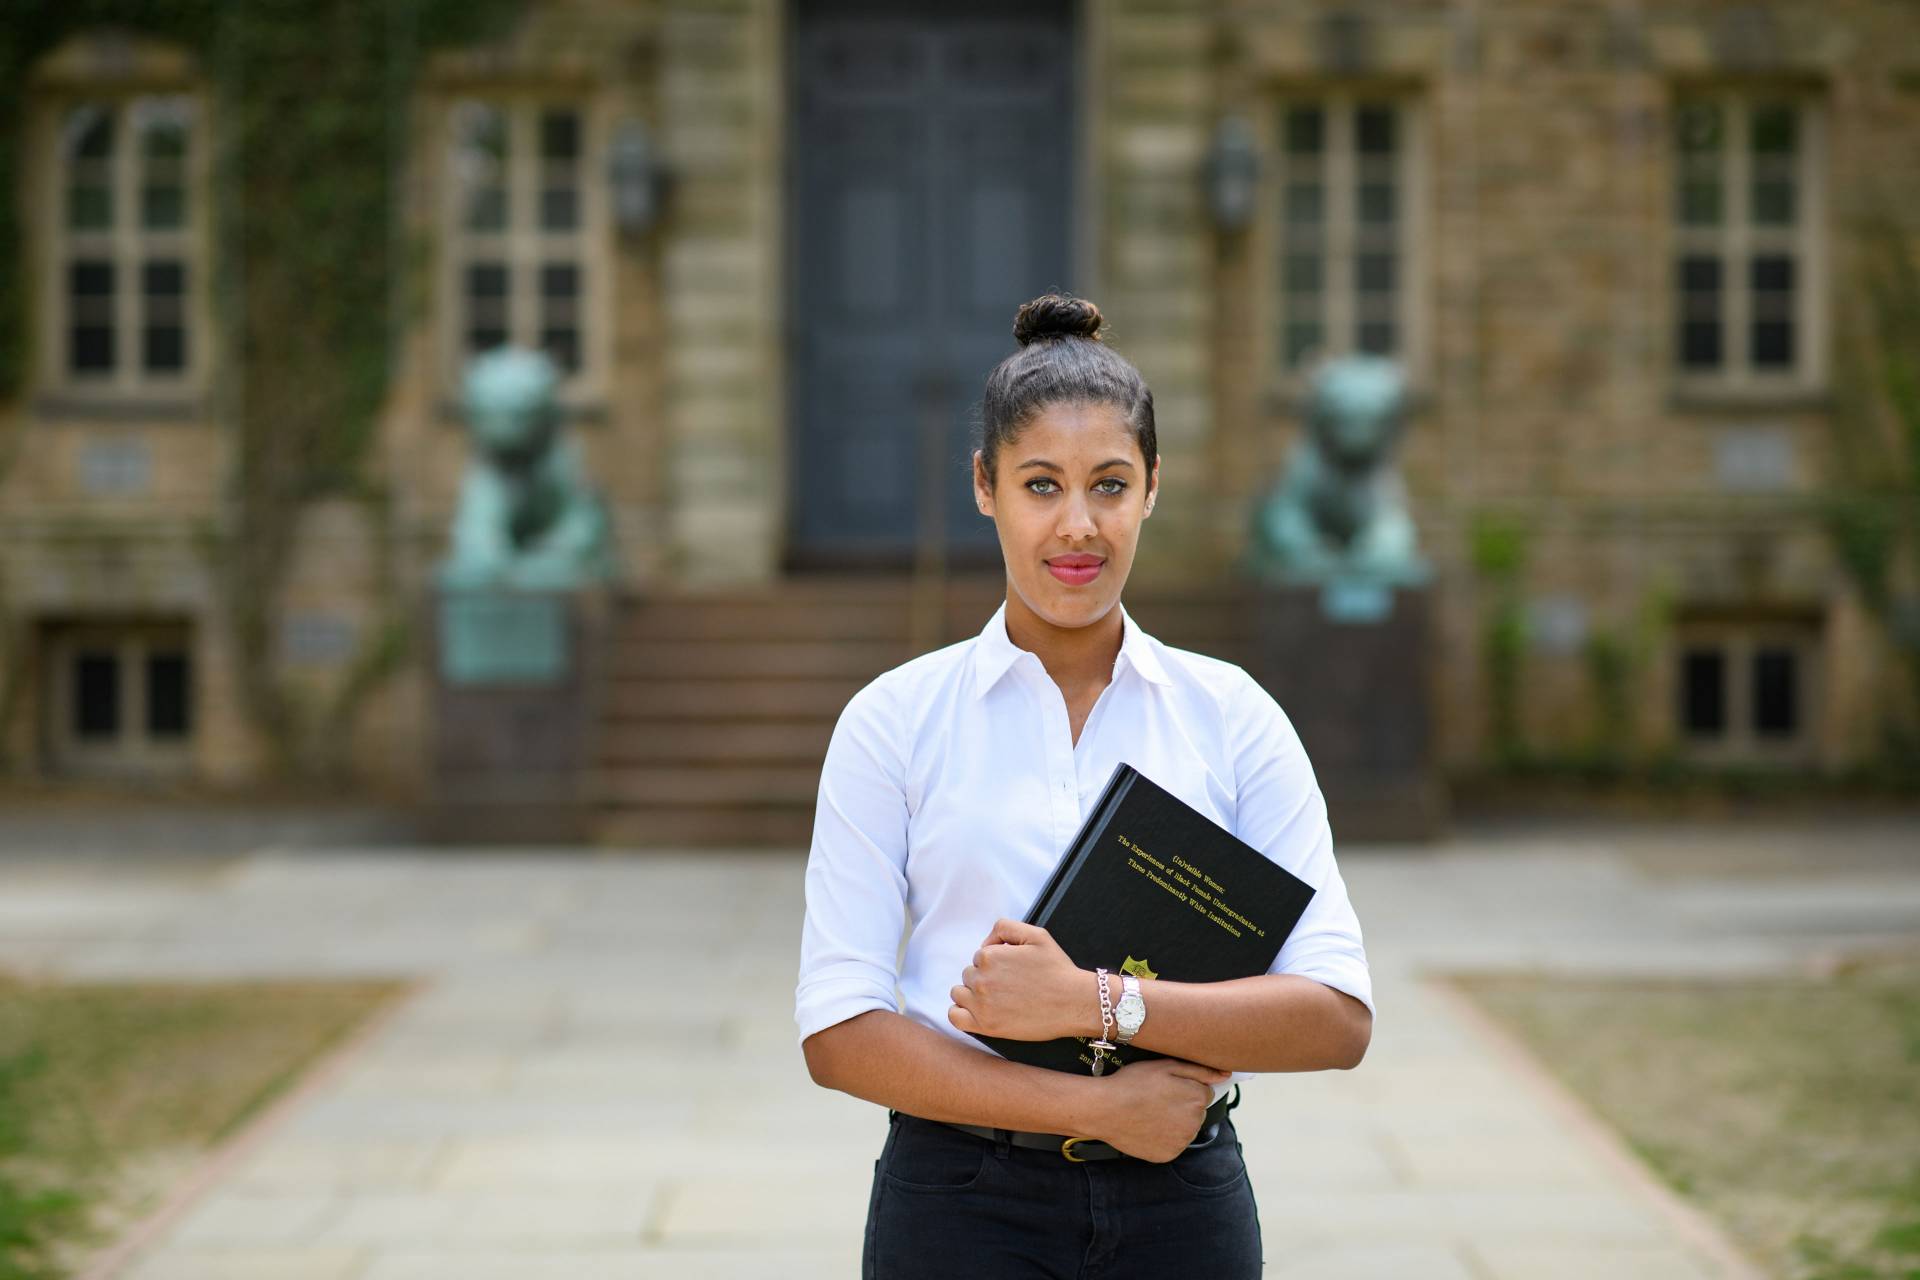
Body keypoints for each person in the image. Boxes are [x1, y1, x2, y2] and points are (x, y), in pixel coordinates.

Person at [795, 293, 1374, 1279]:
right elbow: (839, 1028)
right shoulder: (894, 720)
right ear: (985, 486)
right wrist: (1093, 1105)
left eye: (1110, 484)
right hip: (960, 1202)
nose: (1077, 525)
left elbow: (1335, 1013)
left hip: (1182, 1202)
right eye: (1039, 484)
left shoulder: (1230, 714)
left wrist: (1099, 1001)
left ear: (1154, 486)